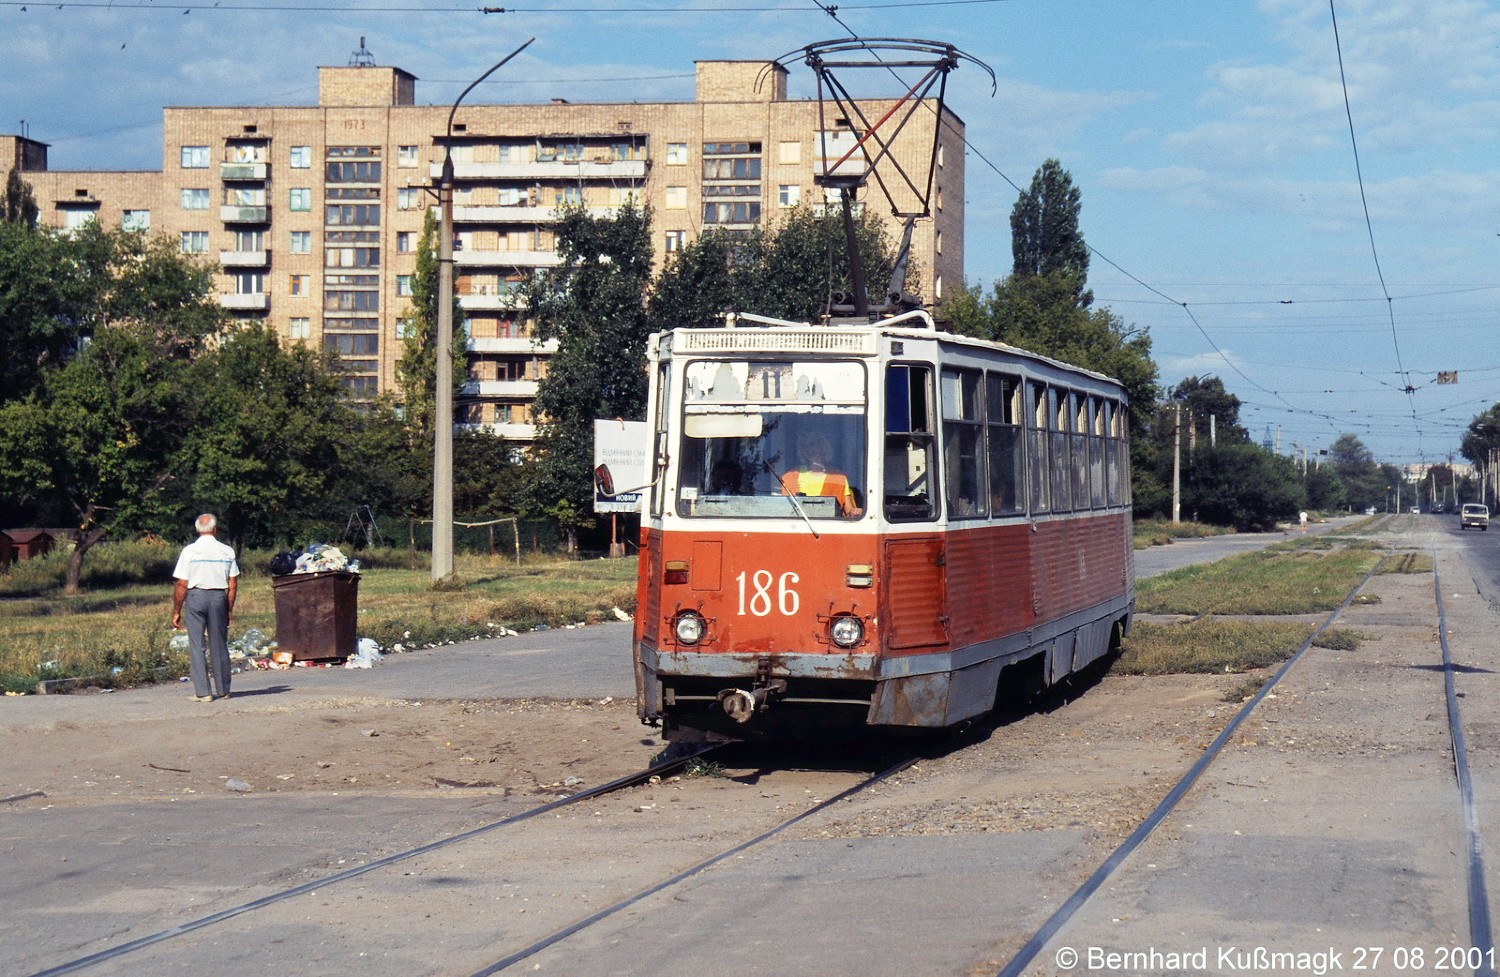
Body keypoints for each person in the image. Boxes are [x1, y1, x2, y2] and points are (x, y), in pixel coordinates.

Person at [171, 513, 240, 701]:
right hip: (218, 596)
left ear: (197, 530)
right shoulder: (227, 551)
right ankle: (223, 689)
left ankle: (203, 692)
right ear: (215, 529)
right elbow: (232, 584)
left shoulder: (189, 552)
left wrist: (176, 611)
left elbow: (181, 584)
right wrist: (229, 609)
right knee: (219, 644)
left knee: (197, 645)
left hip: (195, 597)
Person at [780, 428, 861, 517]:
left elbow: (849, 512)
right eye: (804, 446)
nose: (809, 449)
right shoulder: (790, 476)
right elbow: (783, 510)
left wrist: (855, 512)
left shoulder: (838, 477)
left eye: (812, 444)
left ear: (822, 447)